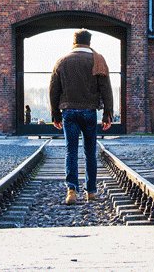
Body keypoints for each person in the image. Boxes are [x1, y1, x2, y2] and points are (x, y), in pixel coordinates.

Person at [49, 29, 113, 205]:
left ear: (74, 42)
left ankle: (71, 191)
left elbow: (54, 90)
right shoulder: (97, 60)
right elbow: (105, 88)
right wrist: (108, 113)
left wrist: (55, 114)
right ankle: (91, 192)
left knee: (71, 151)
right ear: (89, 42)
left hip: (68, 112)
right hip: (89, 112)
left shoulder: (62, 61)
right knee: (90, 152)